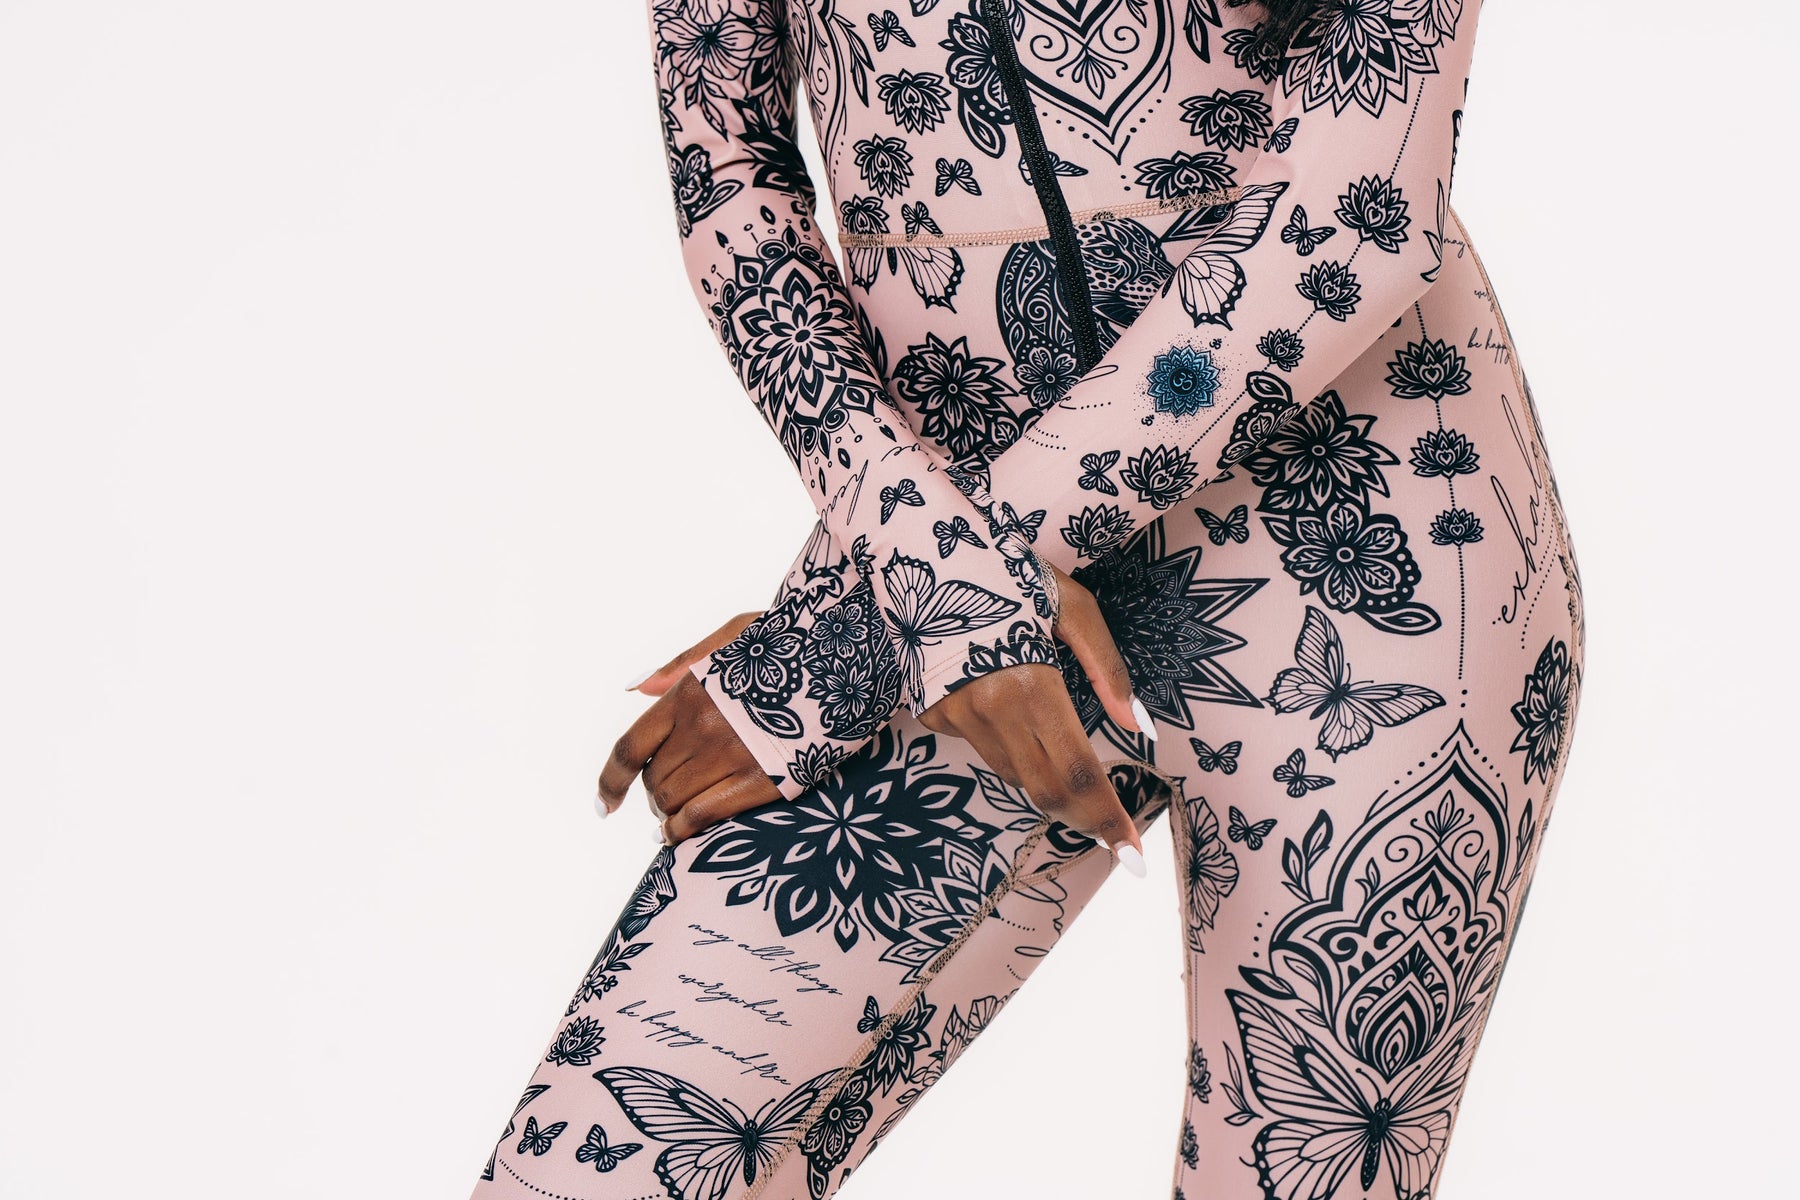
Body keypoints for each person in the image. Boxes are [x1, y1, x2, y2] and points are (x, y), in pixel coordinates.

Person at [470, 0, 1586, 1196]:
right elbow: (731, 182)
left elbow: (1360, 213)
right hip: (943, 541)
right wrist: (930, 572)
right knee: (593, 1169)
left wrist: (850, 646)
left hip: (1368, 545)